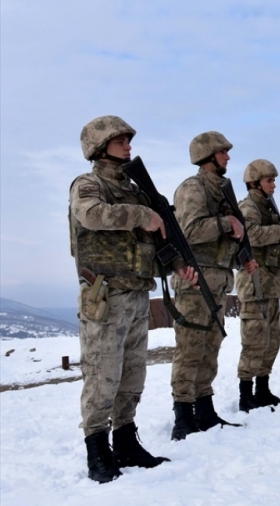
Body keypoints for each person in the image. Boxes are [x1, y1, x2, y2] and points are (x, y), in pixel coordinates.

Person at [70, 116, 197, 483]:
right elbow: (92, 216)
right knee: (102, 374)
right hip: (105, 294)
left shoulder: (135, 189)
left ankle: (125, 441)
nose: (128, 146)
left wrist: (176, 264)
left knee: (132, 375)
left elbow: (154, 239)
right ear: (100, 146)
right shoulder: (88, 185)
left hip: (137, 292)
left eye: (128, 140)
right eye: (120, 140)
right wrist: (143, 215)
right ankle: (97, 452)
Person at [171, 131, 251, 440]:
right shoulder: (193, 188)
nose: (228, 157)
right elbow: (188, 231)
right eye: (222, 152)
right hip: (194, 281)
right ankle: (183, 416)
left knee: (210, 348)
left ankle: (204, 409)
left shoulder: (219, 190)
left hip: (216, 279)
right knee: (190, 348)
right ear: (207, 156)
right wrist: (224, 223)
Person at [235, 160, 280, 408]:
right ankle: (246, 395)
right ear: (254, 183)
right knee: (254, 341)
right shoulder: (249, 206)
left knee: (272, 341)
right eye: (269, 181)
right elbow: (250, 234)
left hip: (271, 284)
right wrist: (279, 231)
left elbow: (272, 250)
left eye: (274, 181)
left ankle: (262, 389)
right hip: (255, 285)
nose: (274, 186)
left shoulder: (268, 208)